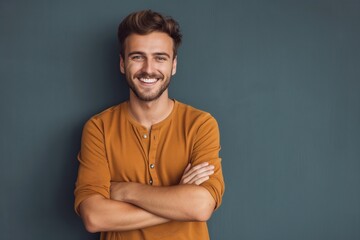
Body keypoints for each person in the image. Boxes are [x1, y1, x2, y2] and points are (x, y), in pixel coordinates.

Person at [74, 9, 225, 240]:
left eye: (160, 57)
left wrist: (124, 191)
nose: (148, 69)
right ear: (123, 64)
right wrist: (177, 201)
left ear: (173, 65)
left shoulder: (201, 124)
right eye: (137, 56)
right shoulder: (98, 128)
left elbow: (200, 206)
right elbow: (94, 217)